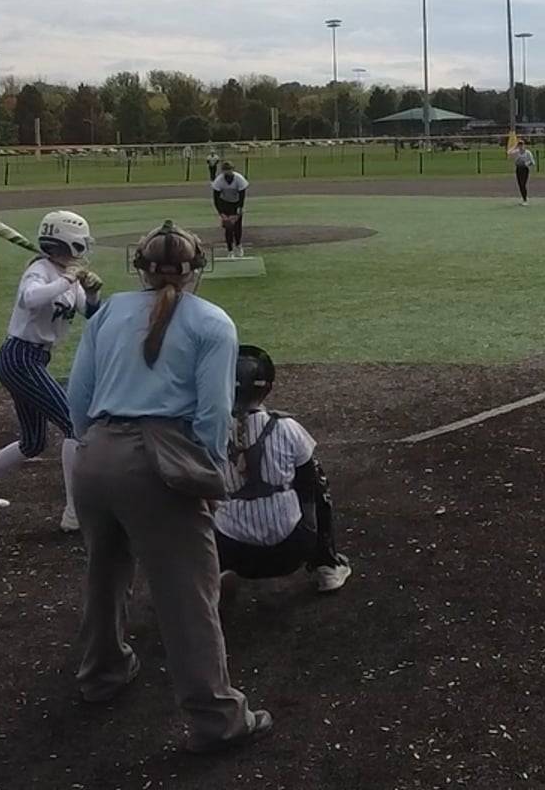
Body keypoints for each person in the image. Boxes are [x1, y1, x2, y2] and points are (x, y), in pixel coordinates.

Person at [66, 221, 272, 753]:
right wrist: (204, 474)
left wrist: (96, 447)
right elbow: (213, 414)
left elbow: (78, 400)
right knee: (187, 595)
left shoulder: (108, 312)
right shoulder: (212, 321)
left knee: (104, 572)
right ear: (196, 269)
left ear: (139, 268)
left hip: (95, 456)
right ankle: (217, 719)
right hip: (160, 461)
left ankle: (102, 675)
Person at [0, 210, 103, 531]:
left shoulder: (65, 274)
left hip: (32, 360)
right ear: (70, 243)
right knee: (73, 424)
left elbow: (91, 313)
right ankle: (74, 512)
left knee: (33, 442)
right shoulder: (40, 270)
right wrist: (66, 279)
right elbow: (29, 299)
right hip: (19, 358)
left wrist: (92, 292)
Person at [216, 344, 351, 595]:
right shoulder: (286, 428)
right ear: (268, 387)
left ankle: (209, 576)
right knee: (316, 480)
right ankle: (327, 565)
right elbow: (308, 483)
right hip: (291, 550)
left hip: (231, 553)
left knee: (193, 491)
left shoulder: (208, 431)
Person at [210, 160, 250, 258]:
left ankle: (238, 245)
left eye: (229, 169)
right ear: (222, 171)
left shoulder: (239, 179)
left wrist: (239, 209)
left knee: (237, 227)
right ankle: (230, 250)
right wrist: (221, 213)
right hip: (225, 204)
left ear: (233, 170)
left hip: (236, 203)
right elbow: (216, 198)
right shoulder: (219, 181)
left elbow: (242, 195)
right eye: (225, 170)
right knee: (228, 227)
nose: (227, 172)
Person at [508, 139, 536, 204]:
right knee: (520, 185)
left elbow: (532, 162)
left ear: (524, 145)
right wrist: (515, 146)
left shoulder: (528, 153)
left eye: (522, 145)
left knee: (523, 184)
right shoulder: (517, 152)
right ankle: (524, 199)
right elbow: (509, 152)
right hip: (518, 169)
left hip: (525, 169)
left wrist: (526, 164)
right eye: (519, 145)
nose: (521, 146)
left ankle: (525, 200)